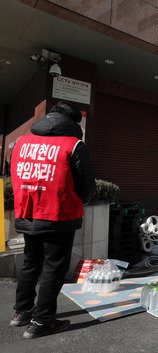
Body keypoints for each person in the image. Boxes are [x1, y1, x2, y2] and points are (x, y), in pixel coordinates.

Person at [9, 101, 95, 339]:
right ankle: (42, 320)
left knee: (30, 263)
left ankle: (21, 312)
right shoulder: (74, 144)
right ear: (73, 122)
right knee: (54, 268)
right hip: (59, 214)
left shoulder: (21, 143)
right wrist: (82, 200)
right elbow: (87, 186)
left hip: (28, 212)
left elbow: (12, 173)